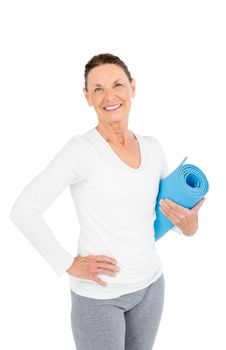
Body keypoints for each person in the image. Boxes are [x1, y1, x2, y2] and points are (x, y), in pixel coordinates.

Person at [10, 53, 206, 350]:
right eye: (98, 89)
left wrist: (190, 226)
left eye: (117, 85)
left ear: (133, 88)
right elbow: (23, 209)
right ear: (87, 96)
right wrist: (67, 263)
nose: (109, 95)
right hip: (100, 296)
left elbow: (169, 219)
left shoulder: (153, 148)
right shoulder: (81, 150)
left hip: (150, 286)